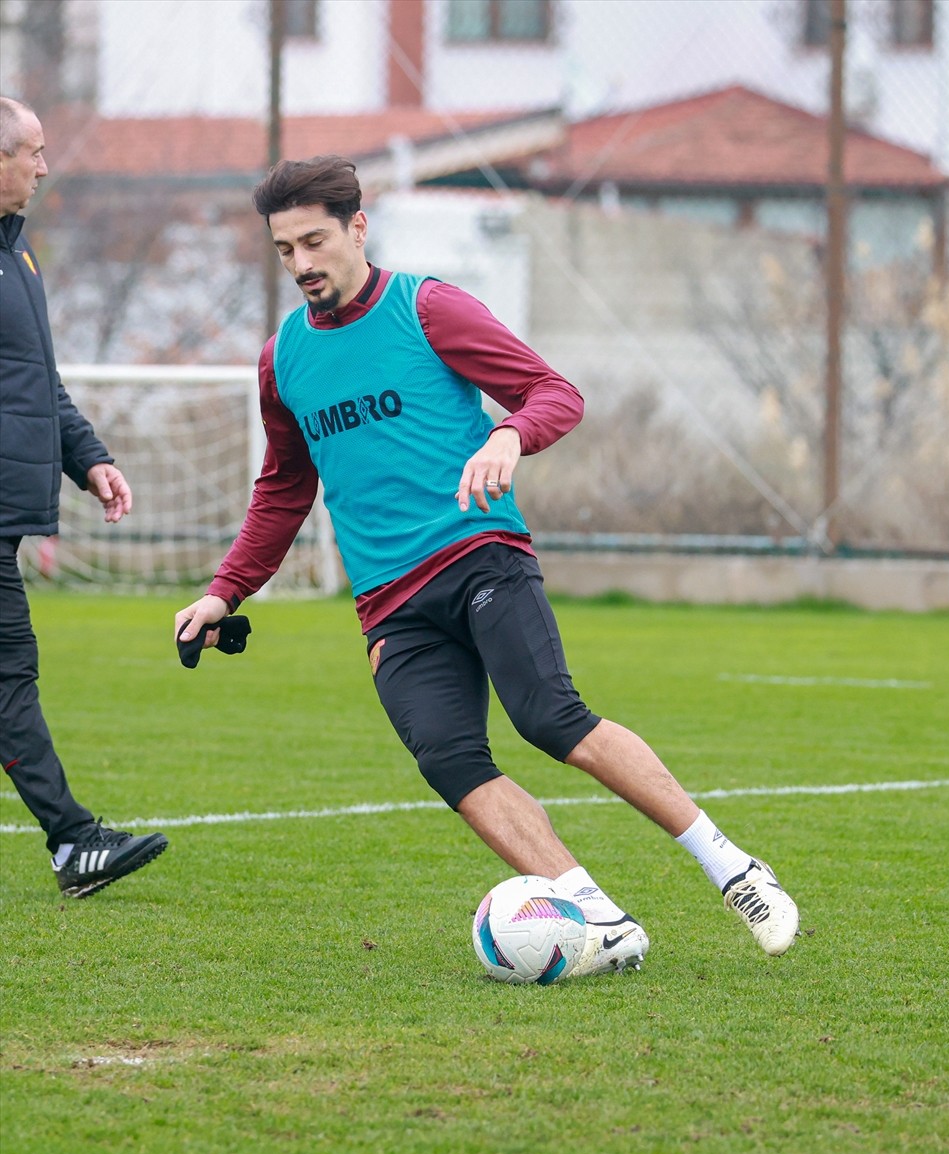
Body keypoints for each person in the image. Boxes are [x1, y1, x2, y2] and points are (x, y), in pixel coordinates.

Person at [176, 155, 799, 972]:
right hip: (388, 605)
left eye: (315, 242)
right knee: (449, 760)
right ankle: (600, 920)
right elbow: (284, 488)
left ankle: (735, 870)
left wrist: (509, 433)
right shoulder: (281, 358)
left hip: (479, 555)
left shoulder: (427, 308)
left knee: (551, 720)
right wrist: (226, 591)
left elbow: (554, 394)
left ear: (358, 227)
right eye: (285, 249)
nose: (301, 265)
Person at [0, 97, 169, 897]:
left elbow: (37, 387)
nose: (42, 165)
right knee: (7, 675)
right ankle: (73, 843)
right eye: (31, 151)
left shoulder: (18, 256)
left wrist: (89, 459)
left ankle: (72, 842)